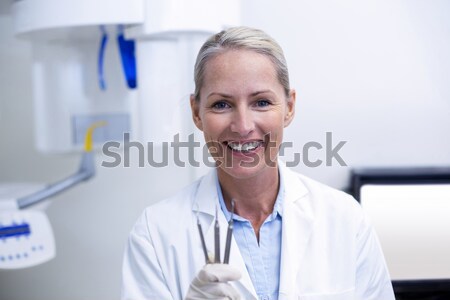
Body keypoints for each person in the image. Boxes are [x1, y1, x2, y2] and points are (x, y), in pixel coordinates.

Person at [121, 26, 395, 300]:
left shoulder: (345, 219)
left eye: (262, 102)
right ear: (196, 112)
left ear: (289, 107)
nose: (243, 126)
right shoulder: (155, 234)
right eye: (221, 105)